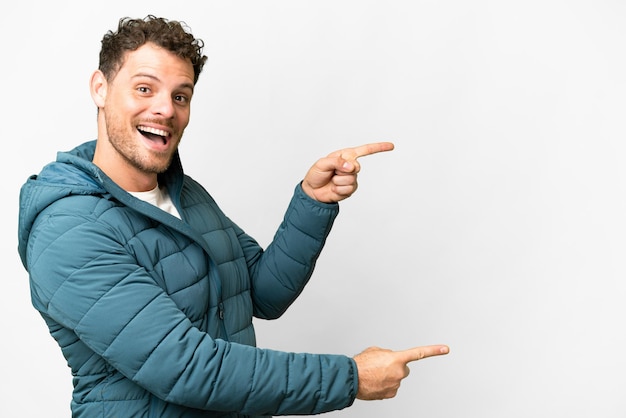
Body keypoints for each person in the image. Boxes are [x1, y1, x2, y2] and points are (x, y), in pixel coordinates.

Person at [17, 15, 449, 417]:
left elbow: (262, 294)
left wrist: (312, 202)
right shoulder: (69, 228)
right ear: (100, 88)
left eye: (180, 95)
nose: (166, 109)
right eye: (145, 89)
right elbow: (186, 367)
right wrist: (350, 378)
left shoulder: (185, 194)